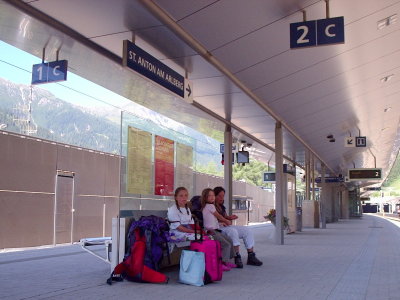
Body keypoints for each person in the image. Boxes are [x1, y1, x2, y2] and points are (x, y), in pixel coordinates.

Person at [213, 186, 263, 267]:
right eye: (219, 196)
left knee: (247, 230)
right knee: (233, 231)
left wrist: (229, 217)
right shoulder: (211, 206)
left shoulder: (221, 206)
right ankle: (237, 256)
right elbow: (212, 220)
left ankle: (251, 256)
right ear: (214, 196)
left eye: (223, 196)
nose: (221, 198)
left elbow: (225, 217)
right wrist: (223, 222)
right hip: (217, 228)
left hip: (225, 226)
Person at [200, 188, 236, 271]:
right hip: (211, 232)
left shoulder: (208, 206)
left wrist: (220, 223)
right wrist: (226, 220)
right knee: (226, 244)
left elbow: (212, 220)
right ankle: (222, 263)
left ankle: (227, 260)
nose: (212, 197)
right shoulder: (209, 206)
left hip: (215, 230)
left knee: (229, 240)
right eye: (209, 196)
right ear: (205, 197)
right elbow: (218, 216)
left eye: (213, 195)